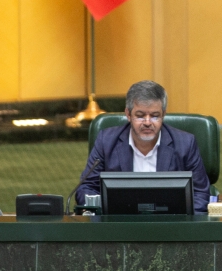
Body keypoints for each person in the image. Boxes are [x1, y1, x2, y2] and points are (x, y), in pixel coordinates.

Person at [76, 80, 210, 214]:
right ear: (128, 114)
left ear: (163, 114)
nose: (147, 122)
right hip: (120, 227)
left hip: (170, 227)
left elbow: (200, 194)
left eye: (154, 116)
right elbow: (86, 187)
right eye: (140, 116)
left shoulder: (185, 143)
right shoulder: (106, 141)